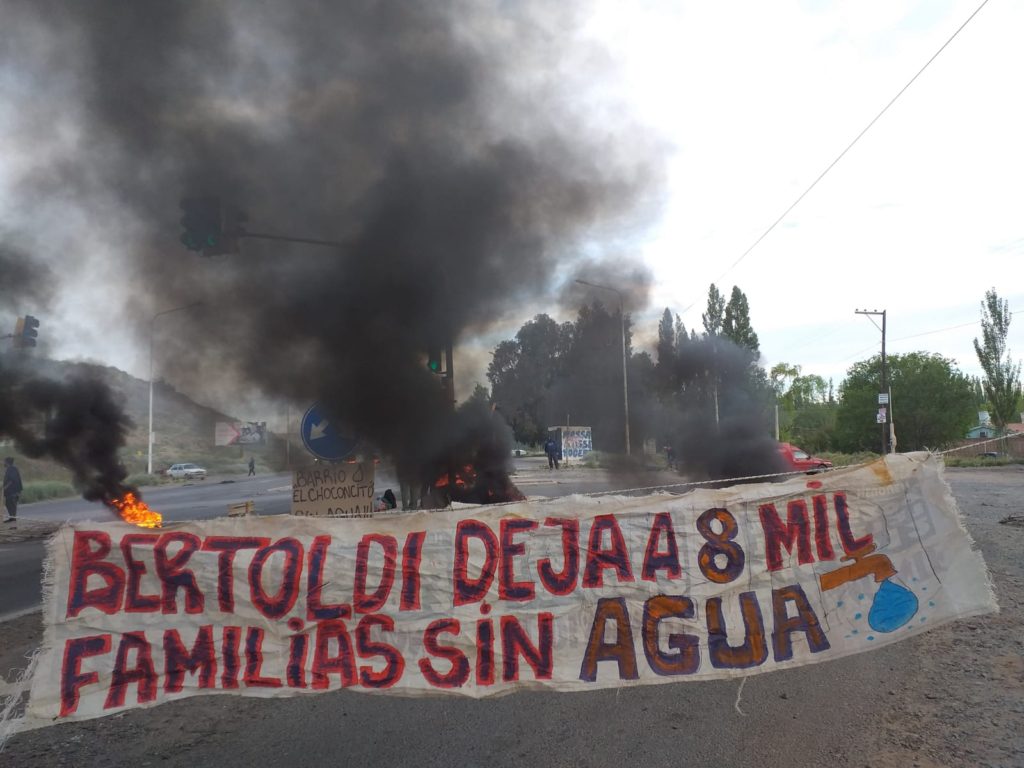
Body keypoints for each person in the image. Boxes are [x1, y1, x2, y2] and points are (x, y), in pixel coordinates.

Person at [3, 457, 23, 523]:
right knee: (8, 504)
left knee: (12, 505)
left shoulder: (11, 469)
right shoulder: (12, 469)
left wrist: (4, 487)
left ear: (7, 462)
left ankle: (13, 520)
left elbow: (11, 480)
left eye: (4, 461)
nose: (4, 463)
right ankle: (12, 518)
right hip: (11, 491)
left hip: (12, 491)